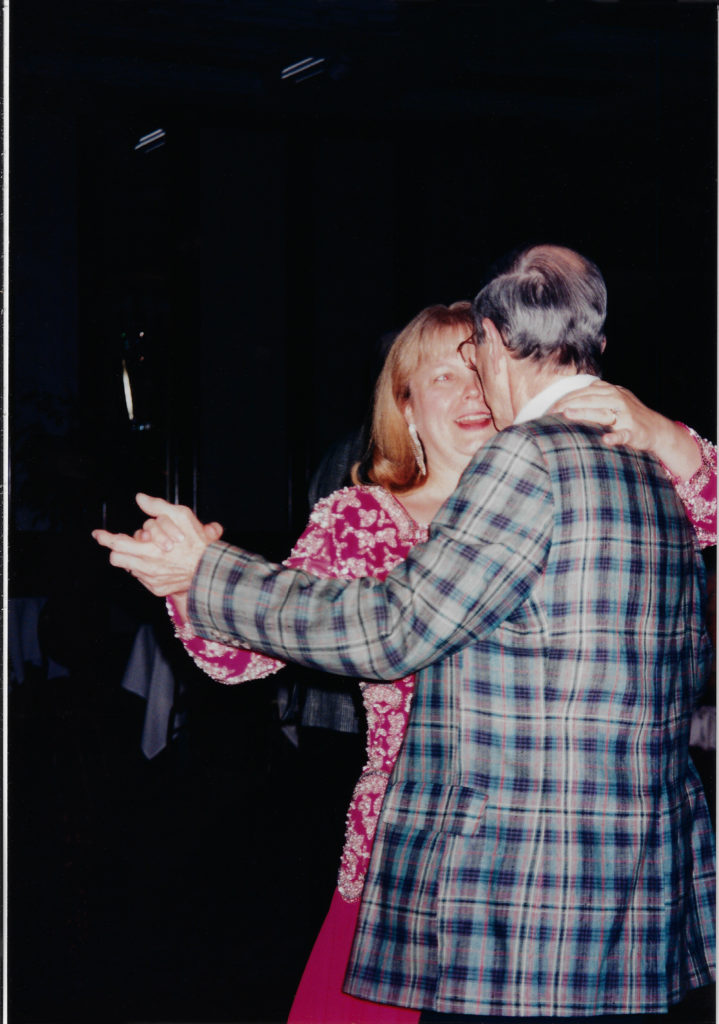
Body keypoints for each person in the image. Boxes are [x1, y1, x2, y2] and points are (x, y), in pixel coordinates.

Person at [93, 245, 716, 1021]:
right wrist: (190, 585)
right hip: (415, 856)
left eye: (473, 365)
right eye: (441, 376)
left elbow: (706, 509)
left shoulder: (578, 468)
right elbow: (240, 661)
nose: (471, 389)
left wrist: (660, 431)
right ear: (406, 407)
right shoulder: (366, 518)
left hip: (525, 873)